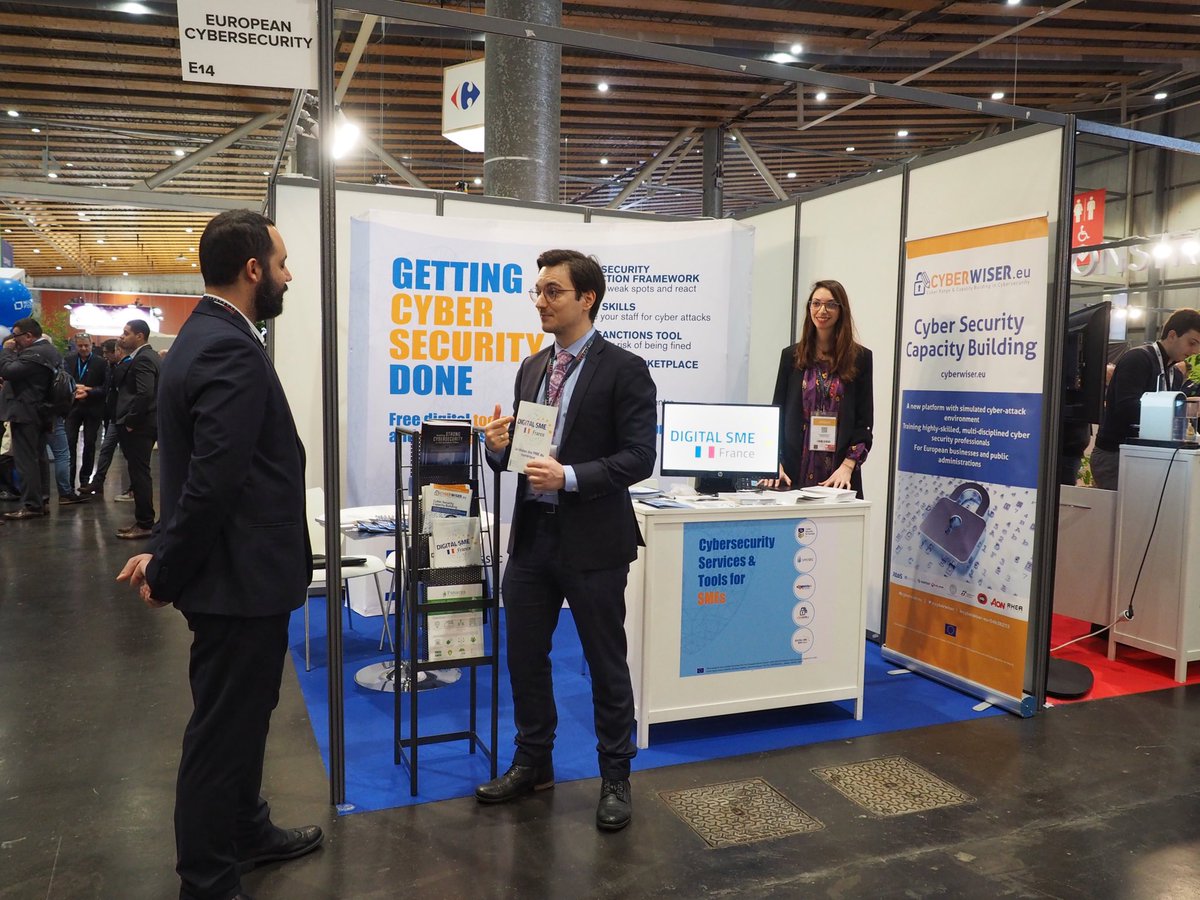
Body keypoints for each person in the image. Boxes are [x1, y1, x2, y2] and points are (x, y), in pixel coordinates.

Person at [117, 209, 321, 900]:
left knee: (243, 721)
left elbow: (197, 472)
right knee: (222, 735)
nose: (289, 275)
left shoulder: (209, 336)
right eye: (283, 263)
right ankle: (207, 879)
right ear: (253, 269)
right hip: (238, 581)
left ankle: (245, 830)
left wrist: (162, 551)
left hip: (241, 578)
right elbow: (211, 482)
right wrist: (167, 569)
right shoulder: (226, 346)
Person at [474, 249, 657, 832]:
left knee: (605, 662)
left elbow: (639, 457)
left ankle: (615, 777)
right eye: (538, 291)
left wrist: (571, 477)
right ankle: (534, 762)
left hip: (594, 542)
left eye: (552, 291)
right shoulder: (532, 368)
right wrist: (498, 448)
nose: (541, 302)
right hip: (533, 538)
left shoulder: (624, 369)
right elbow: (523, 456)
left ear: (587, 298)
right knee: (525, 656)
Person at [766, 279, 873, 497]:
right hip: (793, 472)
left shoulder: (860, 358)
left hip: (838, 476)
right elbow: (777, 413)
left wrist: (848, 466)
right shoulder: (791, 356)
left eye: (830, 304)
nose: (822, 311)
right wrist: (774, 463)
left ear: (841, 310)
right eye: (816, 303)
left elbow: (864, 422)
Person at [1091, 308, 1200, 491]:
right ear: (1172, 335)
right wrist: (1176, 410)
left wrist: (1186, 408)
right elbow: (1127, 407)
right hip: (1116, 454)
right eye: (1192, 343)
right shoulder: (1139, 358)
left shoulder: (1174, 373)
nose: (1195, 351)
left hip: (1147, 455)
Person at [0, 317, 60, 519]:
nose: (13, 340)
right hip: (39, 411)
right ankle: (41, 500)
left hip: (26, 412)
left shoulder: (36, 352)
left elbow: (8, 371)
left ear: (28, 336)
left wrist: (6, 351)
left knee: (26, 461)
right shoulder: (48, 350)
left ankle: (31, 505)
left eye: (16, 335)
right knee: (39, 458)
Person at [114, 318, 159, 538]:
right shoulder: (147, 356)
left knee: (139, 473)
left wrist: (131, 421)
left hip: (140, 426)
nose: (122, 337)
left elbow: (145, 393)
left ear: (139, 336)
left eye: (126, 333)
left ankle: (144, 523)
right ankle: (143, 521)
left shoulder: (143, 359)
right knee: (139, 472)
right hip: (144, 423)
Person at [79, 338, 126, 497]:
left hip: (124, 416)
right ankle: (97, 482)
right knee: (106, 449)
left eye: (107, 353)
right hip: (113, 415)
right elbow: (107, 388)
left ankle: (133, 488)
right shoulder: (111, 367)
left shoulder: (126, 367)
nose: (104, 356)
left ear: (117, 351)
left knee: (130, 455)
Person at [65, 331, 108, 492]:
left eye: (86, 345)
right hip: (73, 407)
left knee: (90, 444)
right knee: (70, 442)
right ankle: (69, 481)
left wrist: (89, 391)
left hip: (93, 407)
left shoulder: (101, 362)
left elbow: (105, 388)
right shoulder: (69, 360)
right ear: (75, 346)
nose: (83, 348)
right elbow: (63, 381)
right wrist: (75, 389)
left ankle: (85, 479)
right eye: (80, 346)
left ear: (92, 345)